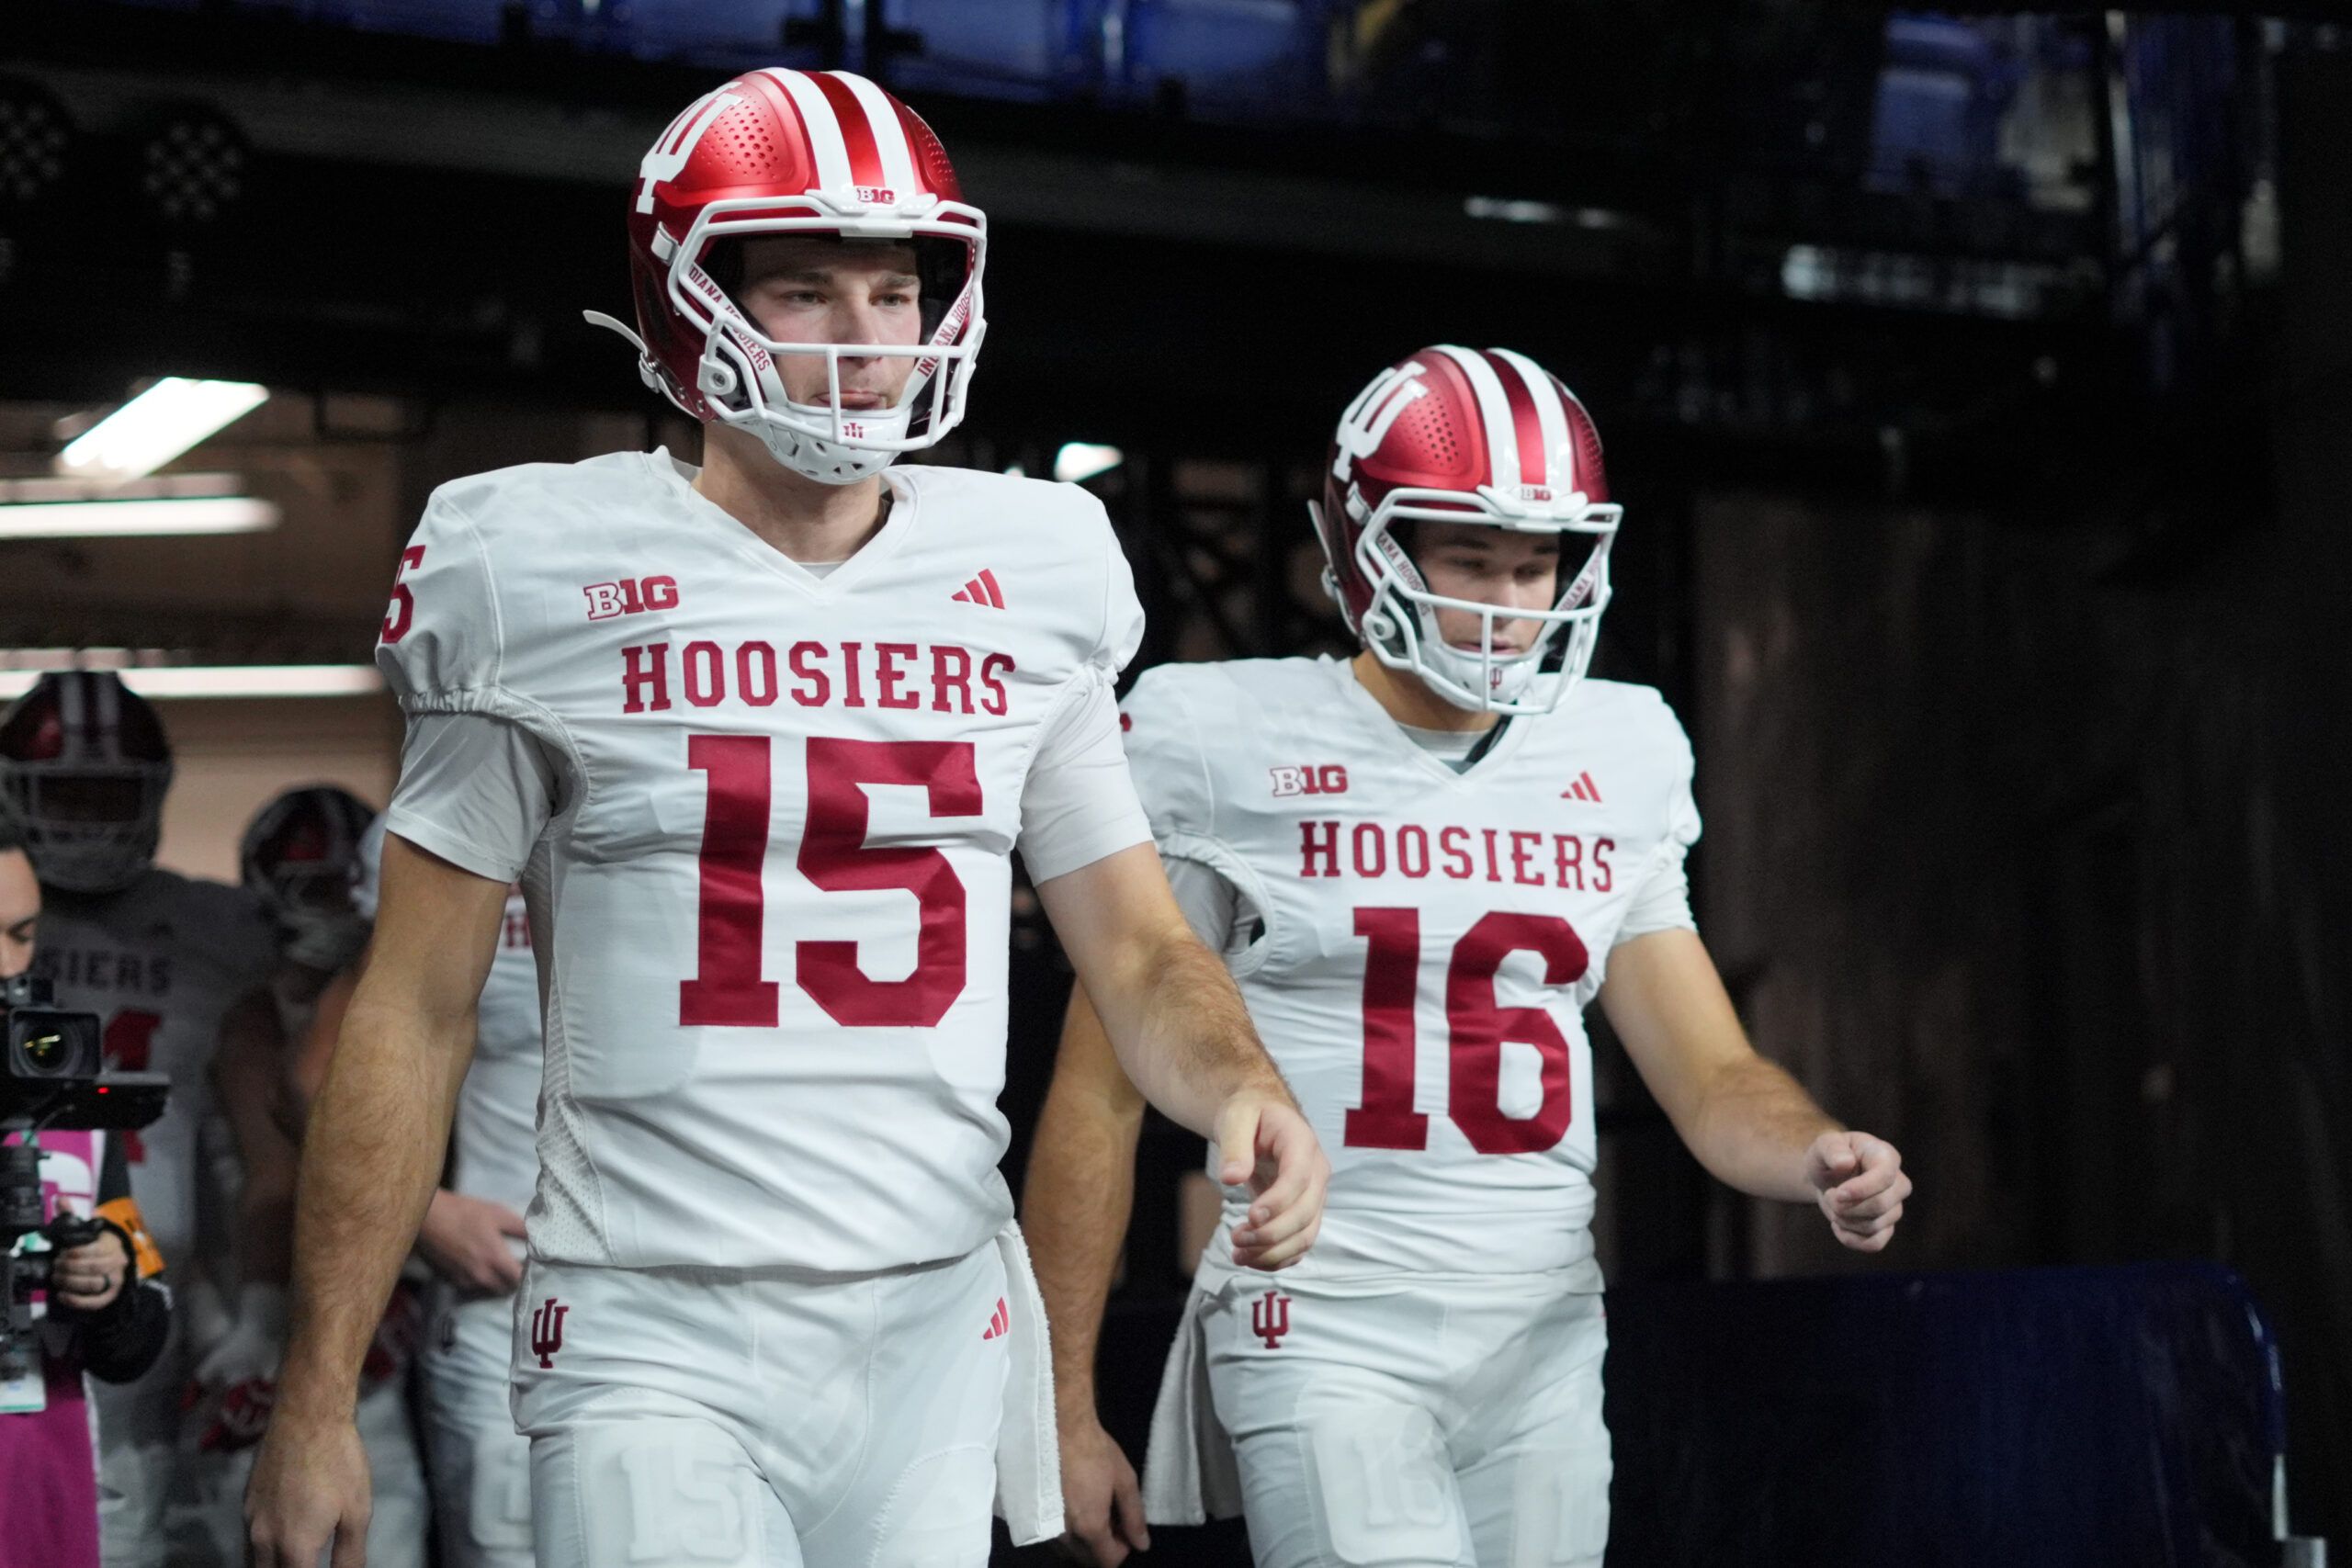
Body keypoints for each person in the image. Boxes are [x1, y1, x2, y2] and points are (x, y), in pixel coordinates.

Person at [244, 67, 1329, 1568]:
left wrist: (1244, 1087)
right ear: (691, 307)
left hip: (931, 1321)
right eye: (807, 288)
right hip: (648, 1319)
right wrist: (317, 1394)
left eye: (898, 287)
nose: (868, 339)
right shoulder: (539, 569)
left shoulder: (1038, 567)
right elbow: (415, 1005)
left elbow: (1139, 949)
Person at [1024, 346, 1916, 1568]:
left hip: (1543, 1327)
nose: (1507, 598)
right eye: (1466, 555)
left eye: (1534, 560)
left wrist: (1814, 1150)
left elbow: (1711, 1076)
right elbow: (1100, 1086)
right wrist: (1060, 1403)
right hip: (1325, 1311)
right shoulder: (1218, 734)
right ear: (1364, 545)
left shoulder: (1625, 746)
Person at [0, 671, 290, 1568]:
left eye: (22, 936)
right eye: (67, 792)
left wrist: (247, 1317)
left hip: (110, 1295)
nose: (86, 817)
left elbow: (263, 1139)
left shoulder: (217, 933)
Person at [161, 788, 431, 1568]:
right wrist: (254, 1325)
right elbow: (272, 1177)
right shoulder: (253, 1014)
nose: (343, 906)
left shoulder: (391, 996)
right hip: (263, 1299)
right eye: (319, 886)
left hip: (360, 1300)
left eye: (352, 885)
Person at [297, 818, 542, 1568]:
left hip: (693, 1280)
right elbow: (317, 1075)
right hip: (504, 1293)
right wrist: (428, 1213)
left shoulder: (711, 789)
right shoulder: (452, 811)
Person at [0, 811, 174, 1568]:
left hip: (46, 1504)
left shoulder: (65, 1103)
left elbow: (137, 1342)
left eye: (21, 932)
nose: (7, 964)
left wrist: (109, 1280)